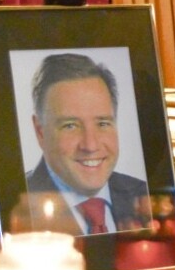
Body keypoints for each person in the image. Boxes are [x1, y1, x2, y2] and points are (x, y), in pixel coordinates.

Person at [16, 52, 150, 236]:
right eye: (70, 126)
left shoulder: (145, 195)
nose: (90, 145)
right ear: (40, 132)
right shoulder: (16, 205)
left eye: (102, 123)